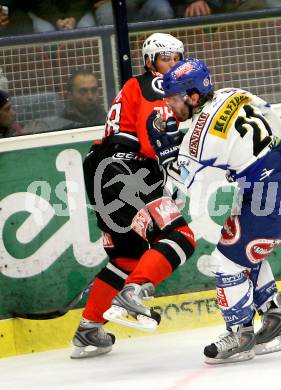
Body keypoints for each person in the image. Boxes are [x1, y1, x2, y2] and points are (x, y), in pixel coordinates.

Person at [147, 58, 281, 364]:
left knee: (224, 262)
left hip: (270, 196)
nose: (170, 105)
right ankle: (275, 319)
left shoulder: (197, 139)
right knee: (240, 249)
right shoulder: (234, 93)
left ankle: (241, 334)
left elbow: (184, 191)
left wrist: (166, 150)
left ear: (193, 96)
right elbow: (278, 128)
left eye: (173, 98)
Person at [70, 33, 196, 359]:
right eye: (165, 57)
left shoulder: (136, 86)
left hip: (103, 168)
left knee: (126, 257)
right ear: (149, 61)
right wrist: (171, 173)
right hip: (125, 169)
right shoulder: (156, 85)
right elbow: (153, 133)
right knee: (180, 236)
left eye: (177, 57)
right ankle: (133, 295)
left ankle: (88, 330)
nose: (172, 64)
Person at [28, 1, 95, 33]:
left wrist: (73, 17)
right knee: (46, 32)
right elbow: (38, 4)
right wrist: (56, 19)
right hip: (43, 12)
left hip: (78, 9)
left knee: (86, 28)